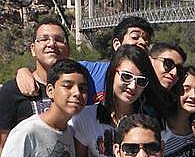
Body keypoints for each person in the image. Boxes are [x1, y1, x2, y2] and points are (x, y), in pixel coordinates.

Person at [72, 45, 170, 157]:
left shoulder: (154, 121)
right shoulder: (84, 118)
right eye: (126, 77)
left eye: (141, 81)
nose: (133, 86)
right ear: (112, 73)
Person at [16, 15, 154, 105]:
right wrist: (24, 72)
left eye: (146, 41)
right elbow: (55, 71)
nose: (142, 42)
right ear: (117, 44)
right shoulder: (90, 71)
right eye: (135, 37)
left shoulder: (147, 78)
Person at [0, 18, 70, 152]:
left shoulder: (78, 88)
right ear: (33, 49)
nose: (51, 44)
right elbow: (3, 146)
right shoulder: (12, 90)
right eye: (44, 39)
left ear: (68, 50)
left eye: (59, 39)